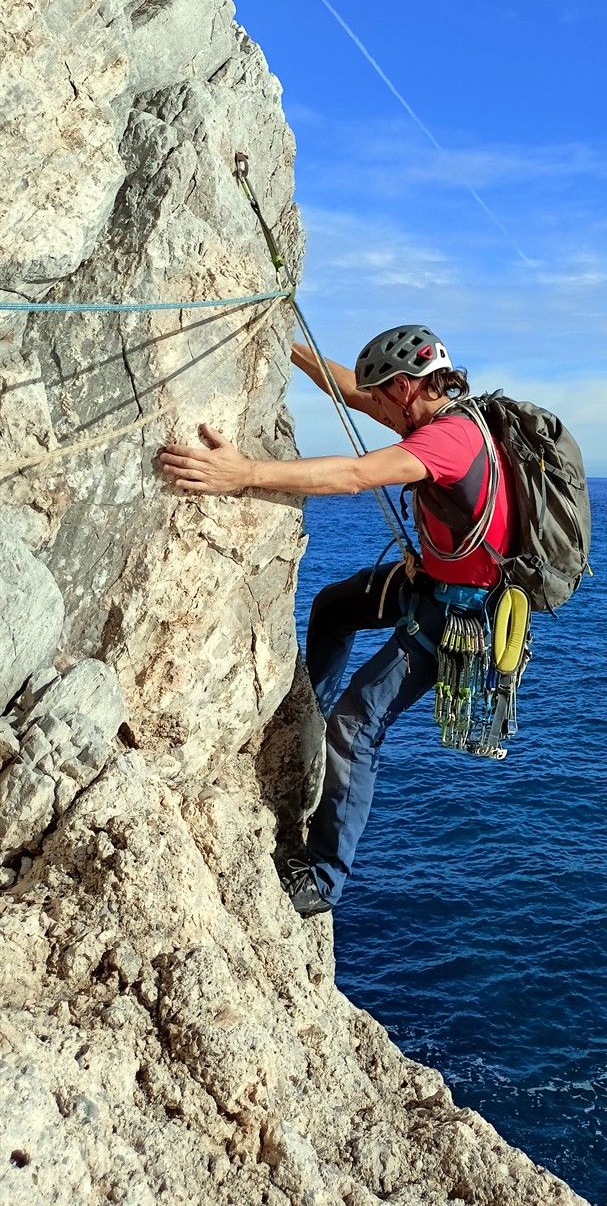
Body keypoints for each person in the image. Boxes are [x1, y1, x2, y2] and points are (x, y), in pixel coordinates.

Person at [159, 325, 517, 917]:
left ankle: (324, 881)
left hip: (461, 612)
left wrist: (244, 473)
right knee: (333, 607)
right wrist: (284, 336)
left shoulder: (447, 439)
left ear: (404, 388)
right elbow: (349, 390)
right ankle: (311, 717)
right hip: (430, 580)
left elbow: (353, 476)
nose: (373, 406)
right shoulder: (438, 415)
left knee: (357, 723)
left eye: (381, 397)